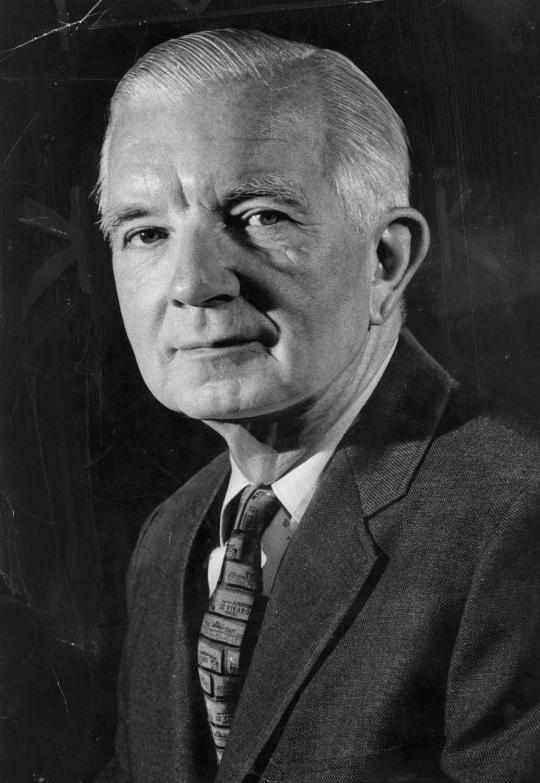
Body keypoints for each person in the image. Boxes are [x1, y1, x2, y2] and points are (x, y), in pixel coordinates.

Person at [95, 28, 540, 783]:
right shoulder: (170, 534)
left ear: (385, 260)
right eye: (146, 232)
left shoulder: (516, 516)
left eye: (259, 216)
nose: (193, 283)